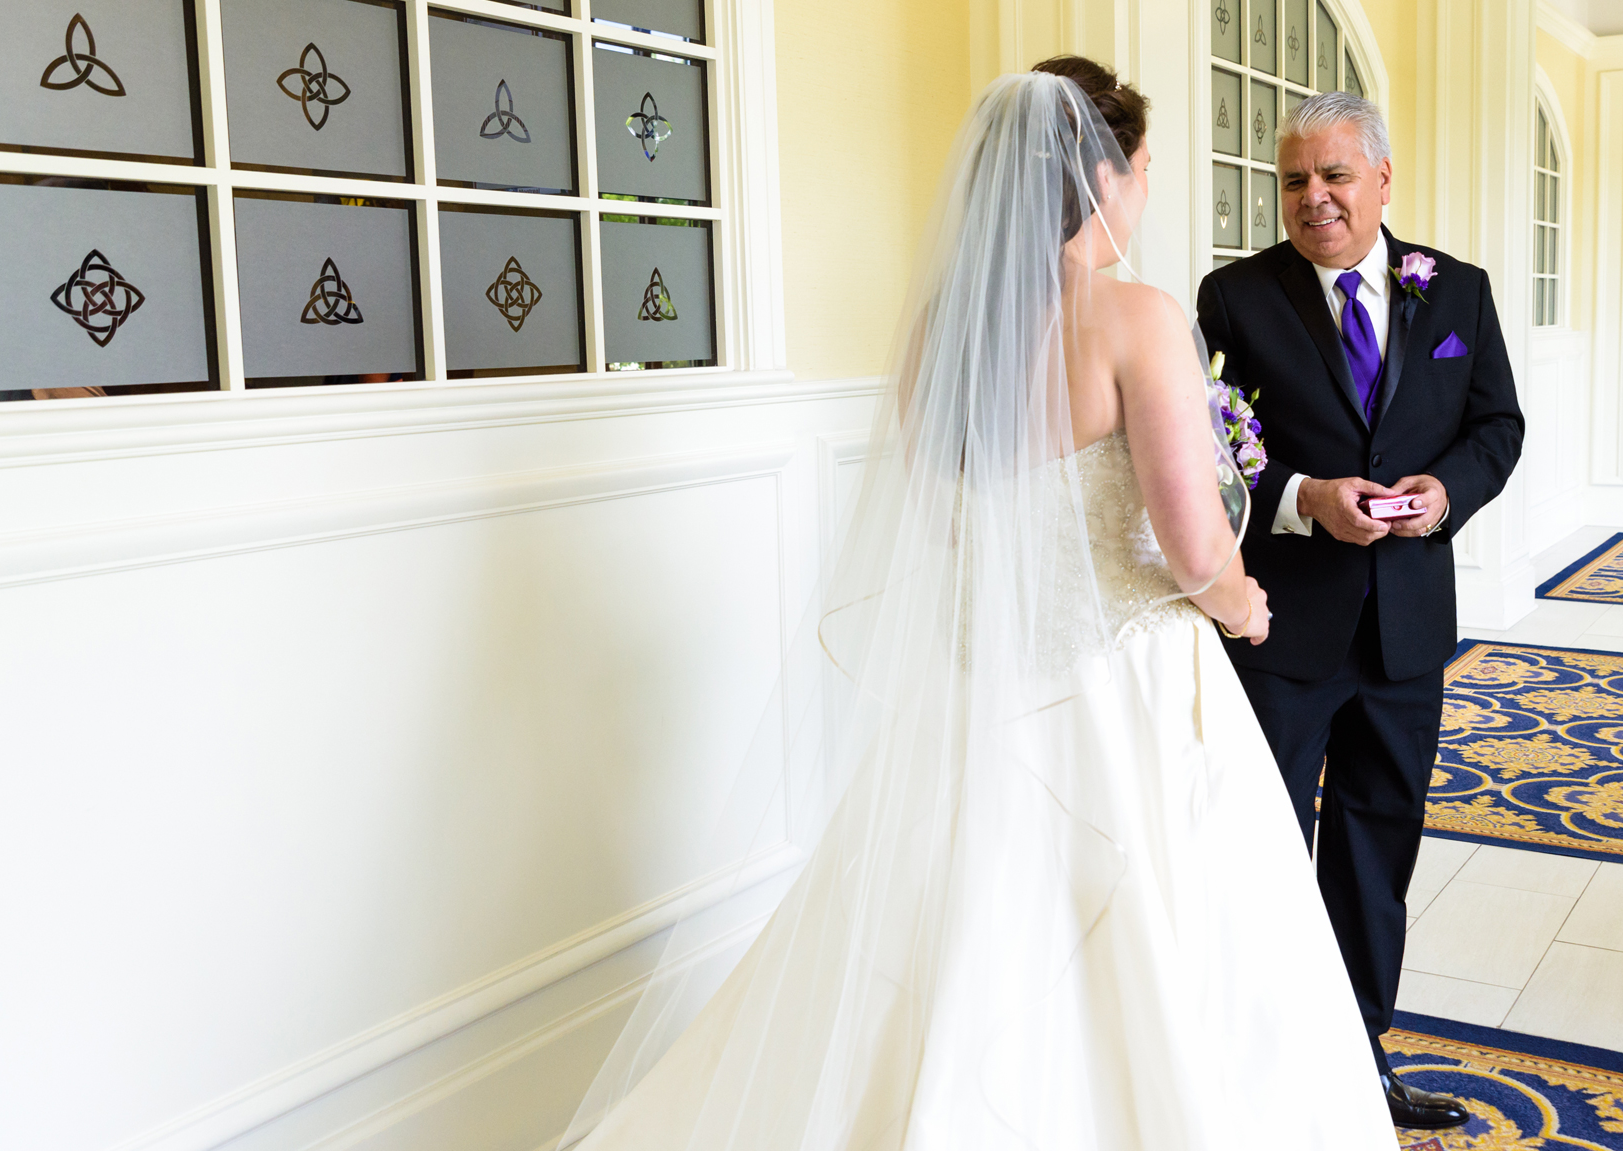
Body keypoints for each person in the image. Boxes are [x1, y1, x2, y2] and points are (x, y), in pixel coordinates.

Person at [559, 64, 1393, 1150]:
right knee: (1158, 939)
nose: (1142, 192)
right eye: (1139, 170)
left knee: (964, 924)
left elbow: (952, 522)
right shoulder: (1133, 318)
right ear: (1099, 175)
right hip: (1125, 680)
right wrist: (1241, 607)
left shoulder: (935, 336)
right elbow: (1192, 545)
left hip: (980, 680)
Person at [1197, 91, 1523, 1131]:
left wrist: (1444, 494)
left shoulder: (1456, 293)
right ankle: (1243, 1051)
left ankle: (1357, 1056)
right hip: (1279, 626)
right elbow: (1206, 454)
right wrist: (1301, 501)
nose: (1312, 198)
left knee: (1375, 846)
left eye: (1334, 176)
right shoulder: (1231, 297)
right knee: (1259, 843)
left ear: (1381, 179)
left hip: (1406, 627)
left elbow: (1495, 426)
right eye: (1292, 180)